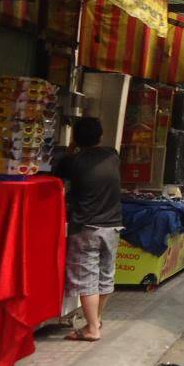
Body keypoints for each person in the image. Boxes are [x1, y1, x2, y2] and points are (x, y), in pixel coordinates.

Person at [55, 117, 122, 342]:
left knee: (87, 279)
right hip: (112, 226)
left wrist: (72, 147)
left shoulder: (71, 162)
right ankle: (96, 320)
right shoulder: (112, 155)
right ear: (101, 136)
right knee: (105, 276)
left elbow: (57, 174)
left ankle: (92, 328)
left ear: (75, 138)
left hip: (86, 227)